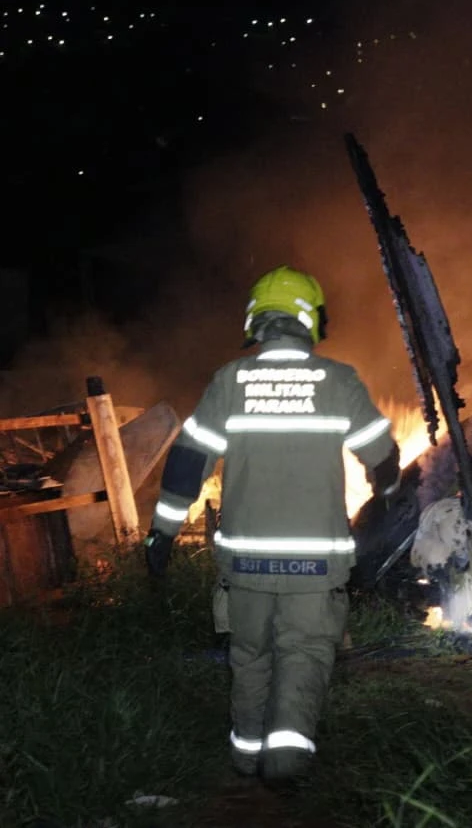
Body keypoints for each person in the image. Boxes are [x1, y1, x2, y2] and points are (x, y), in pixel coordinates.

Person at [141, 265, 400, 785]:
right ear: (310, 318)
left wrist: (162, 532)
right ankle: (286, 758)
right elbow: (383, 457)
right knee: (304, 652)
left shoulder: (229, 381)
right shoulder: (338, 380)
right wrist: (389, 498)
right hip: (315, 566)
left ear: (255, 320)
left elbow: (188, 463)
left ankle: (245, 754)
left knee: (250, 655)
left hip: (246, 566)